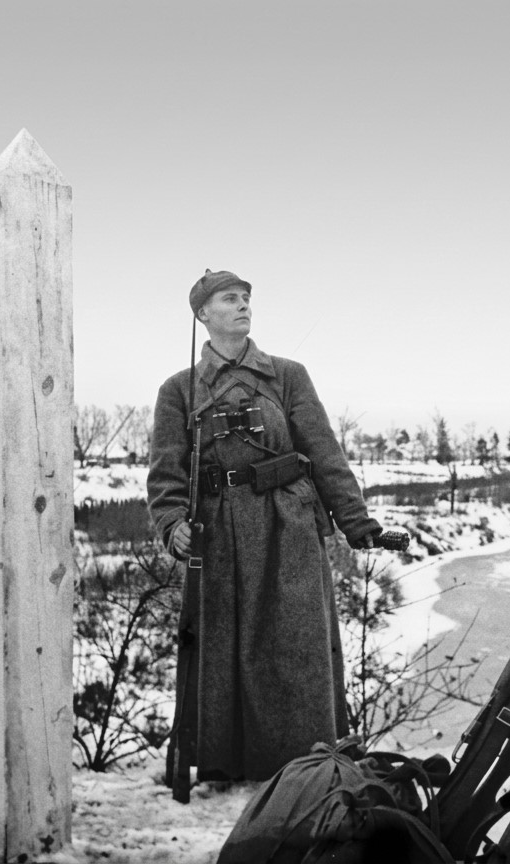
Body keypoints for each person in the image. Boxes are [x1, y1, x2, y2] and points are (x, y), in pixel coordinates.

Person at [148, 269, 382, 787]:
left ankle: (307, 767)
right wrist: (171, 524)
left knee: (298, 650)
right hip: (217, 534)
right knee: (220, 654)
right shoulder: (178, 390)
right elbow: (166, 473)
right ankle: (225, 766)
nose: (242, 305)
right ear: (203, 314)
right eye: (229, 299)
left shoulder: (287, 375)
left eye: (247, 298)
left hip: (288, 526)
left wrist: (356, 522)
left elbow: (324, 452)